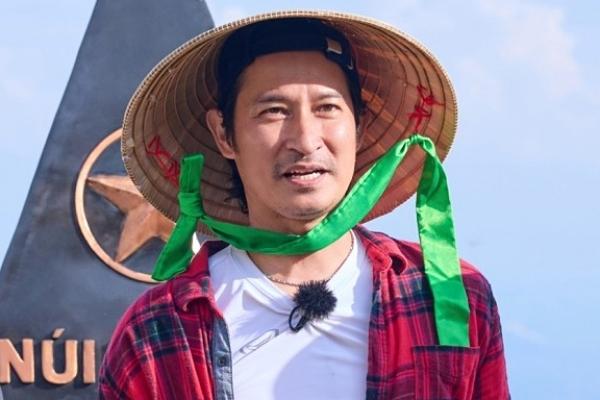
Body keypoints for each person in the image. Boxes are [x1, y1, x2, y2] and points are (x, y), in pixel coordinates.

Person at [99, 11, 509, 399]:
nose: (305, 140)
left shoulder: (447, 295)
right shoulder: (156, 332)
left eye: (327, 108)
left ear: (359, 125)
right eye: (273, 111)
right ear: (224, 134)